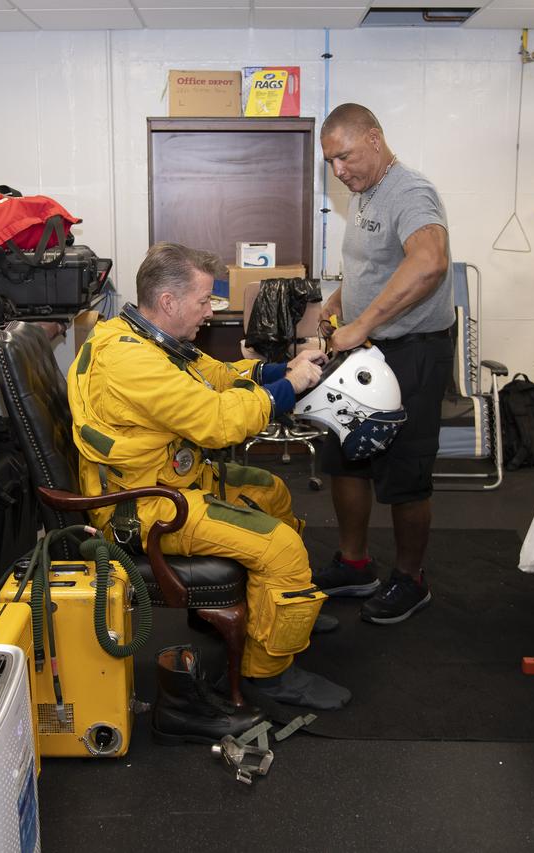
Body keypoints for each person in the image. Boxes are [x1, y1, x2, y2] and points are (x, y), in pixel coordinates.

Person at [67, 241, 350, 711]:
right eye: (204, 301)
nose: (210, 310)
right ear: (169, 302)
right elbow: (217, 422)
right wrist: (291, 387)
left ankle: (279, 605)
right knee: (281, 546)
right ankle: (269, 675)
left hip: (166, 476)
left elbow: (217, 377)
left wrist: (281, 369)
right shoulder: (130, 361)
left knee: (272, 491)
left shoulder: (144, 338)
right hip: (142, 504)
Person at [311, 103, 454, 625]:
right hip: (368, 350)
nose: (338, 171)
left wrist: (363, 323)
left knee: (405, 471)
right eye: (330, 162)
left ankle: (411, 580)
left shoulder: (410, 191)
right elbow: (377, 265)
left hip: (412, 351)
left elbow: (429, 261)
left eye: (344, 156)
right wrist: (340, 302)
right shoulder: (365, 195)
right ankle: (355, 564)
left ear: (374, 138)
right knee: (345, 455)